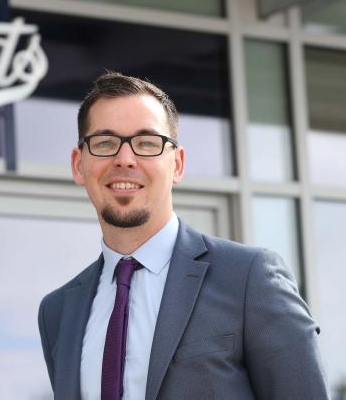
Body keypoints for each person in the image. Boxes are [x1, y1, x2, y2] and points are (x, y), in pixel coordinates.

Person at [37, 72, 329, 400]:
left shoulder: (249, 279)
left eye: (146, 143)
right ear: (79, 164)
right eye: (105, 143)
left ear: (176, 164)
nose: (124, 159)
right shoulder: (58, 311)